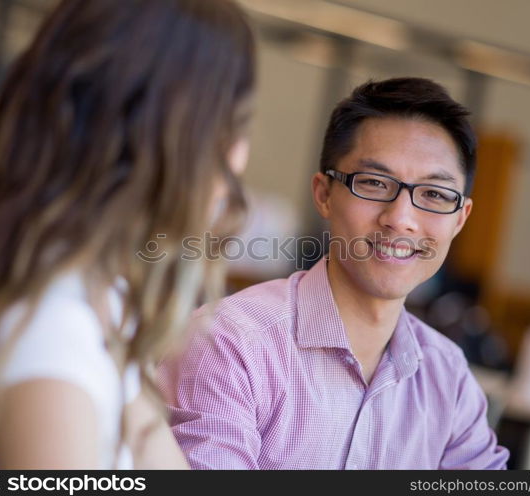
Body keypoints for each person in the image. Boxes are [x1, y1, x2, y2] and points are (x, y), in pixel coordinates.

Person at [158, 77, 510, 469]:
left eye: (434, 194)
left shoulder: (449, 377)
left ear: (460, 219)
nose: (401, 219)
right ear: (324, 194)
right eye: (375, 183)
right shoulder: (230, 342)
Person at [0, 0, 255, 469]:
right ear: (170, 133)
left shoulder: (104, 297)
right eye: (233, 123)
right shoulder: (49, 328)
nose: (240, 158)